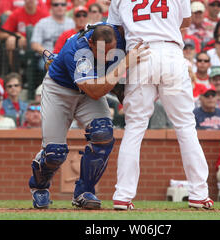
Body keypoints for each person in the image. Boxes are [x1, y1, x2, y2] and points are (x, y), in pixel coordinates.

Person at [107, 0, 213, 210]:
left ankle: (122, 195)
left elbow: (114, 31)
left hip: (138, 55)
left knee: (134, 128)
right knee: (185, 126)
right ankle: (199, 195)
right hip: (170, 52)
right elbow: (186, 20)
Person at [28, 22, 147, 209]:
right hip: (61, 91)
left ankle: (84, 191)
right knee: (55, 154)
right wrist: (124, 64)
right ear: (91, 43)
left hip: (90, 91)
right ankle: (39, 186)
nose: (107, 56)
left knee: (103, 133)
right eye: (102, 52)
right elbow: (95, 91)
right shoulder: (77, 51)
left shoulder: (118, 33)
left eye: (111, 50)